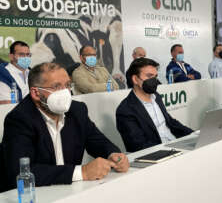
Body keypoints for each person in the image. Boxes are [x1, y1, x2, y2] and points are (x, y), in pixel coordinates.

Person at [2, 62, 129, 190]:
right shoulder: (19, 119)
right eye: (56, 86)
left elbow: (97, 141)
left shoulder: (77, 110)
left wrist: (113, 154)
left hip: (70, 191)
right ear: (36, 93)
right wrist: (82, 172)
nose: (65, 92)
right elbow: (20, 173)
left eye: (67, 85)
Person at [117, 57, 193, 152]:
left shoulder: (156, 97)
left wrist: (194, 134)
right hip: (160, 154)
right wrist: (170, 150)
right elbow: (137, 145)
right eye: (149, 76)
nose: (154, 81)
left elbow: (170, 122)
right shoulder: (125, 110)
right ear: (135, 79)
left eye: (155, 77)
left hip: (176, 146)